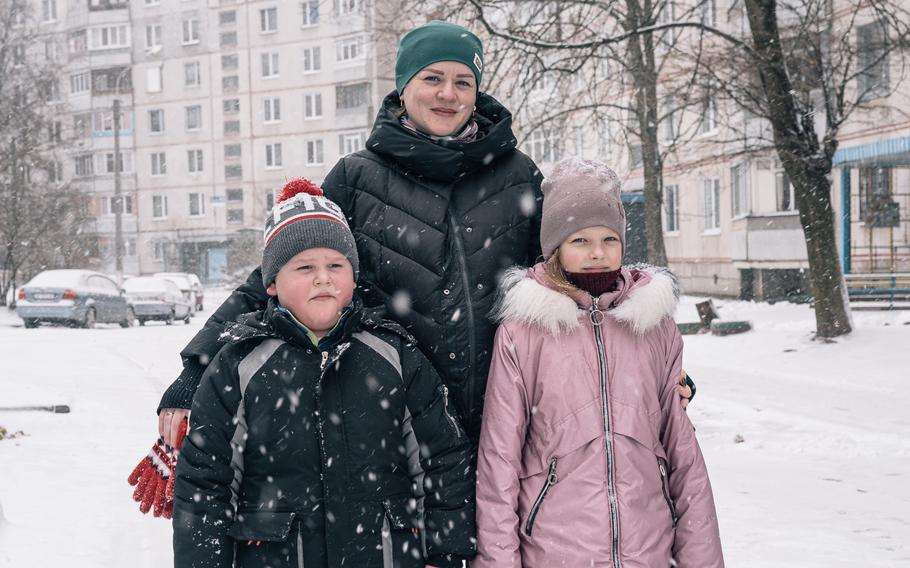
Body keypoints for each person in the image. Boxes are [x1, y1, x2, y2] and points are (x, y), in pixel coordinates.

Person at [156, 20, 694, 447]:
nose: (448, 94)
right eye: (432, 78)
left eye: (463, 81)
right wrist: (193, 369)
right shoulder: (357, 178)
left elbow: (578, 280)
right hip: (391, 408)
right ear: (404, 85)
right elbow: (280, 276)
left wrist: (660, 368)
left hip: (510, 405)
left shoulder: (517, 175)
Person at [172, 179, 475, 568]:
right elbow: (205, 485)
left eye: (336, 265)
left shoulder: (394, 354)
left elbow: (443, 458)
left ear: (353, 278)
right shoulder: (239, 365)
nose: (323, 278)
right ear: (271, 284)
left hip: (383, 553)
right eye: (304, 267)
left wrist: (446, 553)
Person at [473, 158, 724, 567]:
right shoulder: (524, 331)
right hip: (555, 550)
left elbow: (684, 458)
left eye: (609, 239)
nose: (597, 253)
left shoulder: (652, 325)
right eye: (579, 240)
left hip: (648, 548)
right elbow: (499, 460)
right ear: (555, 247)